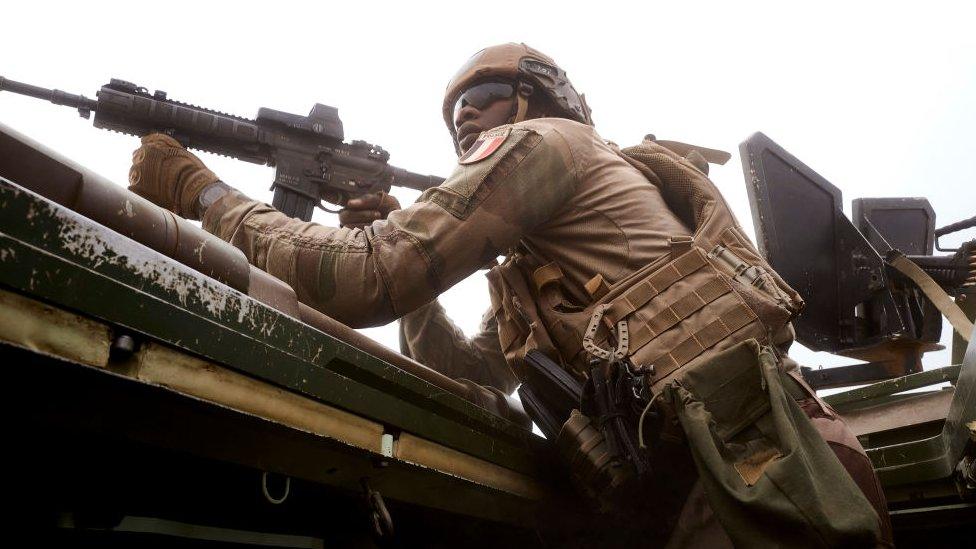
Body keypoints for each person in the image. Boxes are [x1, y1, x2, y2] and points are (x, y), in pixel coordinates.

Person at [127, 43, 892, 547]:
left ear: (536, 101)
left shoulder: (549, 143)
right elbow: (473, 372)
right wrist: (414, 289)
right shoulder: (540, 268)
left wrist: (204, 193)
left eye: (486, 94)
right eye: (455, 109)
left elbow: (366, 277)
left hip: (759, 476)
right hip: (729, 480)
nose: (465, 114)